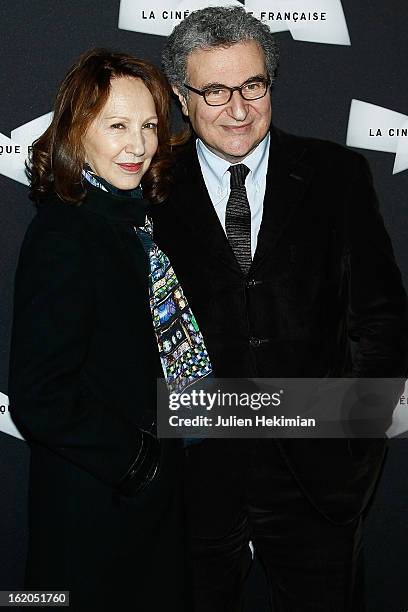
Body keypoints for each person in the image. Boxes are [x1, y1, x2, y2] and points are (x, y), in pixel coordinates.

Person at [150, 6, 408, 611]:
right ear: (181, 99)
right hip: (192, 483)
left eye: (253, 85)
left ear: (270, 82)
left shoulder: (338, 175)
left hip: (317, 480)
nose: (238, 109)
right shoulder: (151, 185)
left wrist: (355, 451)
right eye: (214, 91)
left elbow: (381, 323)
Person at [8, 48, 211, 611]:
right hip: (96, 508)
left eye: (148, 125)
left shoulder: (132, 222)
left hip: (146, 502)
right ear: (77, 132)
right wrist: (139, 465)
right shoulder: (66, 231)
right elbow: (39, 393)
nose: (139, 144)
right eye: (117, 125)